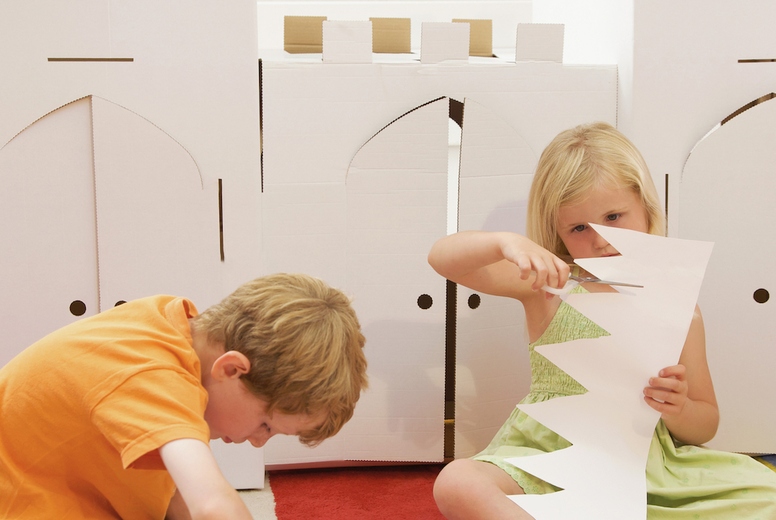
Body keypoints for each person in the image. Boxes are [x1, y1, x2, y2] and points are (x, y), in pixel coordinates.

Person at [428, 122, 776, 519]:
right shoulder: (550, 284)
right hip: (546, 458)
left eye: (614, 216)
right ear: (558, 233)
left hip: (642, 465)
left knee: (765, 494)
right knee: (456, 482)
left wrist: (676, 408)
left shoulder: (680, 309)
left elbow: (705, 424)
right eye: (578, 227)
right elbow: (442, 258)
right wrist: (504, 242)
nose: (600, 239)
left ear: (645, 206)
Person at [0, 272, 368, 519]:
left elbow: (179, 499)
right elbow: (210, 503)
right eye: (265, 425)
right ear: (231, 369)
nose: (257, 442)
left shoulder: (172, 324)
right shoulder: (150, 375)